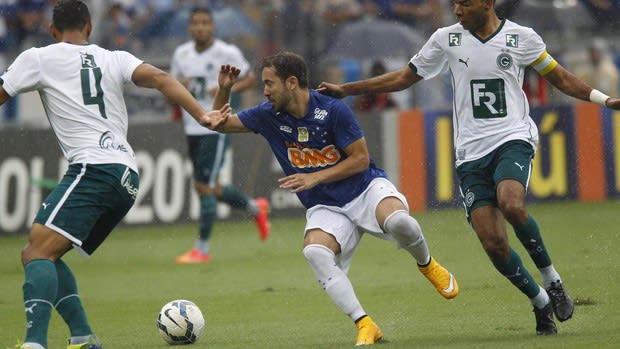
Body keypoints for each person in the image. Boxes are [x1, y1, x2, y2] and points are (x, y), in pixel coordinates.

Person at [318, 0, 620, 336]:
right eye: (454, 4)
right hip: (470, 153)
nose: (457, 10)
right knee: (493, 243)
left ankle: (553, 280)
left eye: (465, 3)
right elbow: (405, 78)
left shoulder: (522, 38)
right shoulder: (446, 39)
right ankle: (539, 301)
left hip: (512, 137)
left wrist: (604, 99)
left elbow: (560, 78)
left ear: (488, 3)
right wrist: (347, 89)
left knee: (511, 203)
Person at [206, 52, 459, 346]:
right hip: (326, 206)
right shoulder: (267, 114)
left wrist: (315, 177)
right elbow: (219, 124)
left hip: (364, 190)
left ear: (291, 83)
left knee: (401, 222)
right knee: (315, 253)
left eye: (269, 83)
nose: (264, 91)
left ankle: (427, 264)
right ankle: (365, 324)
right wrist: (224, 89)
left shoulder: (332, 110)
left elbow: (361, 160)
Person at [0, 1, 214, 348]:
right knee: (44, 251)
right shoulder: (116, 57)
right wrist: (201, 114)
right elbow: (161, 79)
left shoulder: (38, 57)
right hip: (126, 176)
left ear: (52, 30)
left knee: (37, 252)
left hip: (93, 167)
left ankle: (34, 343)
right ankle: (83, 338)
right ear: (89, 27)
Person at [170, 6, 270, 264]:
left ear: (212, 27)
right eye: (196, 23)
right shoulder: (181, 54)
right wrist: (182, 85)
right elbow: (171, 85)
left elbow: (250, 79)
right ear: (190, 27)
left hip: (216, 127)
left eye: (205, 22)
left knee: (204, 187)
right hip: (193, 125)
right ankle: (253, 207)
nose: (201, 27)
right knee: (211, 186)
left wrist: (226, 86)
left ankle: (201, 249)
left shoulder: (227, 52)